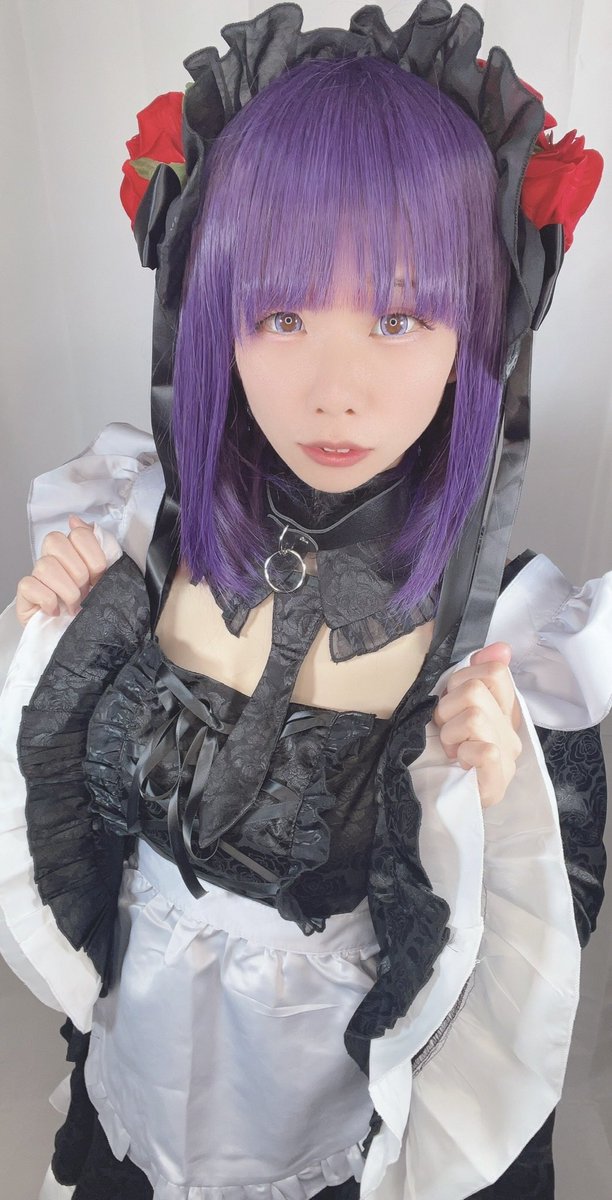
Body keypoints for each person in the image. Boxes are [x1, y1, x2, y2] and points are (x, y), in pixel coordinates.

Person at [0, 4, 608, 1199]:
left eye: (399, 316)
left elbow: (525, 978)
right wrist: (51, 643)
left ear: (482, 326)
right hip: (146, 1057)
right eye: (281, 315)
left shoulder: (511, 646)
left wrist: (497, 809)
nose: (338, 390)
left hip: (327, 1120)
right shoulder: (134, 535)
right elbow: (69, 828)